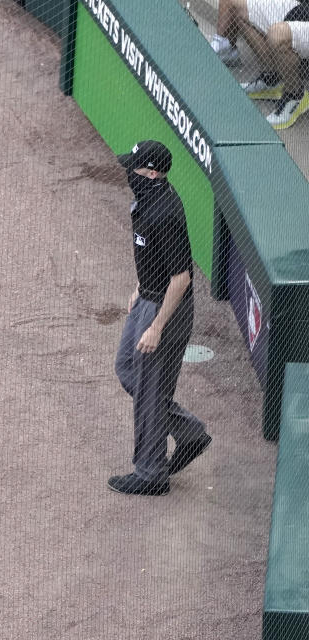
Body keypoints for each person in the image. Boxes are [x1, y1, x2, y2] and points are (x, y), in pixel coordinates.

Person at [108, 141, 212, 496]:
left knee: (150, 389)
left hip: (166, 309)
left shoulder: (164, 210)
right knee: (127, 368)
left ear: (152, 172)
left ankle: (151, 473)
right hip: (149, 298)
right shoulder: (148, 199)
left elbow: (181, 277)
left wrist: (156, 326)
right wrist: (141, 283)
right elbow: (156, 256)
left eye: (134, 168)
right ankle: (187, 431)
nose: (128, 173)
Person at [210, 0, 309, 129]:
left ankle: (295, 94)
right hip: (300, 8)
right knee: (236, 4)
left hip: (303, 15)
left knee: (278, 34)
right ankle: (272, 79)